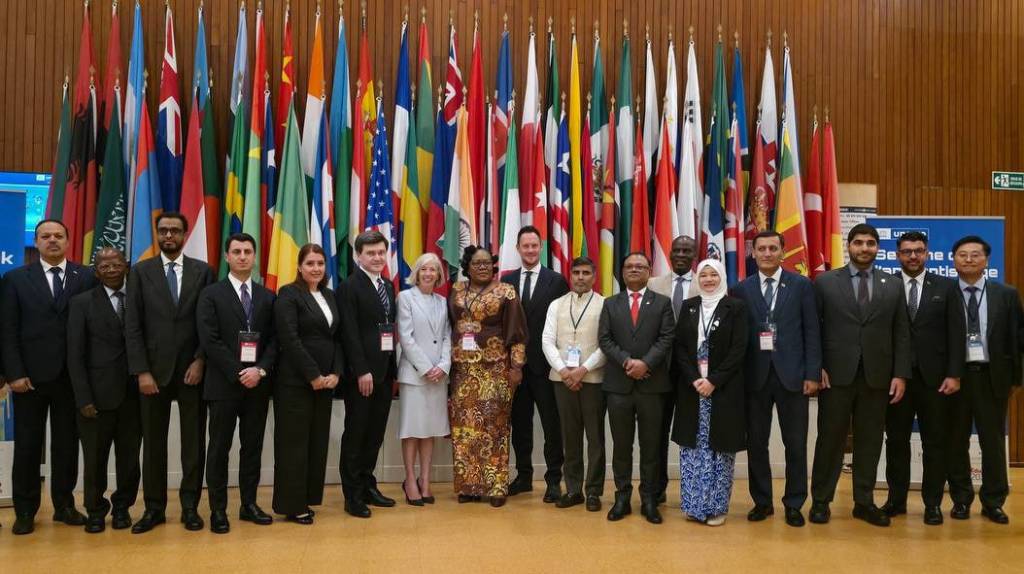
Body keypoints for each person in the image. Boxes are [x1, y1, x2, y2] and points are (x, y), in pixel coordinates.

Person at [810, 223, 911, 527]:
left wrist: (900, 374)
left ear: (877, 247)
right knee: (830, 440)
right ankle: (821, 501)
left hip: (877, 377)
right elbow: (813, 328)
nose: (864, 248)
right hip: (835, 375)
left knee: (870, 440)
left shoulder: (893, 285)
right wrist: (816, 366)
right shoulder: (825, 282)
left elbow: (901, 332)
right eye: (858, 243)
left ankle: (864, 502)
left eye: (870, 243)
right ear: (849, 246)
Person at [2, 219, 97, 535]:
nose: (52, 240)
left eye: (58, 235)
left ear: (68, 241)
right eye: (46, 236)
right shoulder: (15, 279)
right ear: (37, 241)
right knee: (28, 447)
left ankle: (64, 506)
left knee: (67, 446)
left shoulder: (86, 276)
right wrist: (14, 373)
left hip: (71, 378)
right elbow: (7, 330)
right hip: (29, 379)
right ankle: (25, 510)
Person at [124, 212, 215, 534]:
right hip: (153, 373)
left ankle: (190, 507)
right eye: (163, 230)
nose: (168, 236)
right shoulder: (140, 272)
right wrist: (141, 371)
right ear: (157, 233)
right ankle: (154, 509)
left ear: (184, 234)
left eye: (175, 231)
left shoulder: (203, 271)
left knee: (193, 443)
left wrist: (201, 360)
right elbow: (132, 325)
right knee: (153, 444)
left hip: (192, 371)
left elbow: (209, 323)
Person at [731, 231, 821, 527]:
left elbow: (812, 331)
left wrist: (812, 373)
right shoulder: (740, 289)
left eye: (773, 248)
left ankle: (794, 504)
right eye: (762, 249)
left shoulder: (802, 285)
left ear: (783, 252)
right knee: (756, 443)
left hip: (793, 377)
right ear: (753, 253)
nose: (767, 253)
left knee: (795, 443)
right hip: (754, 379)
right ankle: (762, 501)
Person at [882, 231, 965, 525]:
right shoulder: (887, 285)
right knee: (896, 442)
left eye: (918, 251)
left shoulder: (947, 286)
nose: (913, 256)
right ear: (897, 255)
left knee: (935, 443)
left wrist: (954, 373)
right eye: (907, 251)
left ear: (927, 253)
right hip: (897, 379)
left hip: (936, 380)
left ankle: (932, 504)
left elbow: (956, 332)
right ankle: (896, 500)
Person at [197, 233, 278, 533]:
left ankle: (249, 504)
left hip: (258, 385)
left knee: (252, 447)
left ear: (254, 257)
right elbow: (209, 340)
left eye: (247, 251)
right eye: (236, 251)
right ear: (227, 257)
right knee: (219, 448)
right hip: (223, 384)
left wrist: (260, 370)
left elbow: (275, 340)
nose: (242, 256)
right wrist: (238, 372)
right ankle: (218, 510)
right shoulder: (211, 294)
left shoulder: (267, 296)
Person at [948, 235, 1022, 525]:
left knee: (992, 442)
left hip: (992, 377)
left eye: (975, 254)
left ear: (986, 260)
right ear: (954, 260)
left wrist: (1016, 378)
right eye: (962, 254)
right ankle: (961, 499)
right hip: (955, 378)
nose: (969, 259)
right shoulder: (944, 293)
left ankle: (993, 501)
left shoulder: (1006, 294)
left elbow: (1017, 338)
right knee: (956, 441)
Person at [66, 247, 141, 534]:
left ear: (126, 266)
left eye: (116, 264)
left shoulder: (139, 299)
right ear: (96, 272)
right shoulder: (81, 303)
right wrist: (83, 397)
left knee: (129, 460)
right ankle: (95, 510)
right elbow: (75, 355)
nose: (111, 269)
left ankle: (122, 508)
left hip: (134, 396)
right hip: (96, 398)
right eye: (104, 266)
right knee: (95, 460)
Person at [598, 252, 675, 525]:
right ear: (622, 272)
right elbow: (604, 339)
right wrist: (627, 361)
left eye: (639, 266)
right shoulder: (610, 303)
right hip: (618, 387)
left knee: (651, 446)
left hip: (652, 386)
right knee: (621, 446)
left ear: (649, 271)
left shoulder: (662, 303)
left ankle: (649, 499)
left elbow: (667, 337)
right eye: (629, 266)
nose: (634, 270)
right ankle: (622, 497)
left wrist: (646, 363)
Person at [449, 246, 528, 507]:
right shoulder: (457, 290)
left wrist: (516, 367)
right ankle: (468, 486)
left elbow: (517, 333)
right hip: (463, 370)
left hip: (496, 370)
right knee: (465, 429)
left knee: (495, 428)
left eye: (486, 263)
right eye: (476, 263)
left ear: (493, 266)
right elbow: (451, 325)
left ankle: (496, 486)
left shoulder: (506, 291)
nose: (482, 267)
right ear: (467, 267)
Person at [272, 244, 344, 525]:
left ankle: (308, 498)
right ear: (300, 267)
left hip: (325, 382)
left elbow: (336, 338)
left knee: (316, 442)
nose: (316, 268)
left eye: (320, 263)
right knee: (294, 445)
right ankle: (292, 505)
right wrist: (313, 375)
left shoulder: (330, 295)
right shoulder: (288, 294)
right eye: (310, 263)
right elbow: (289, 339)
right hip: (296, 383)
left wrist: (336, 373)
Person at [673, 259, 748, 526]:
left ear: (722, 278)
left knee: (720, 451)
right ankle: (694, 506)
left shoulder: (735, 307)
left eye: (713, 275)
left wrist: (713, 381)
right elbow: (680, 348)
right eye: (703, 275)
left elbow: (739, 349)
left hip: (723, 390)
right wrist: (695, 379)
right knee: (692, 449)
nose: (708, 280)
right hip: (692, 391)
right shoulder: (689, 306)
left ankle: (716, 508)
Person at [501, 226, 569, 502]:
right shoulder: (506, 281)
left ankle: (553, 479)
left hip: (546, 366)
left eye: (534, 245)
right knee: (520, 424)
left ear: (540, 248)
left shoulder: (557, 281)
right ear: (517, 248)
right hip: (516, 369)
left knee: (552, 425)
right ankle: (524, 476)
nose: (530, 250)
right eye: (525, 246)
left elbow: (564, 324)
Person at [337, 230, 399, 518]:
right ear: (358, 256)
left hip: (384, 372)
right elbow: (349, 333)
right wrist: (361, 370)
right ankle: (352, 495)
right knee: (357, 434)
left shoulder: (387, 284)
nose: (376, 257)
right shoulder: (349, 287)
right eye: (370, 253)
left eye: (380, 252)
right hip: (362, 376)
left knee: (375, 434)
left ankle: (367, 485)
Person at [541, 257, 607, 511]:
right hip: (562, 380)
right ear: (570, 275)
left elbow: (606, 343)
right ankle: (573, 489)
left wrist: (582, 370)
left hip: (593, 379)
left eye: (586, 273)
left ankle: (593, 491)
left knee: (595, 437)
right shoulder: (556, 305)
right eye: (576, 272)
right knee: (569, 436)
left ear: (594, 276)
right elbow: (547, 340)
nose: (580, 277)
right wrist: (564, 371)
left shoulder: (604, 304)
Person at [396, 253, 452, 506]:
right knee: (412, 430)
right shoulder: (405, 297)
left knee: (429, 430)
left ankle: (425, 481)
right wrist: (426, 368)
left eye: (433, 269)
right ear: (416, 273)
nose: (429, 273)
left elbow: (448, 336)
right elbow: (405, 337)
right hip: (414, 375)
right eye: (424, 269)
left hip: (438, 376)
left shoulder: (442, 301)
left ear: (439, 274)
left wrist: (443, 366)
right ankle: (410, 480)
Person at [648, 234, 697, 504]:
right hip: (660, 371)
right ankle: (657, 489)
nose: (680, 254)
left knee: (690, 432)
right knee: (657, 432)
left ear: (694, 255)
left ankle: (692, 491)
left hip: (694, 374)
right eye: (676, 250)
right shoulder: (653, 284)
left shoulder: (706, 283)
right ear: (669, 252)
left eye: (686, 251)